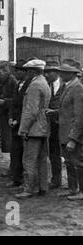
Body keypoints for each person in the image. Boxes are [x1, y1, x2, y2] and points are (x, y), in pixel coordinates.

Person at [15, 60, 51, 199]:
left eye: (29, 71)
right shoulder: (44, 83)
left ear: (33, 71)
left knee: (29, 159)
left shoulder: (34, 85)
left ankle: (29, 188)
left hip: (33, 128)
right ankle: (43, 186)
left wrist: (23, 129)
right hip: (43, 127)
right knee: (42, 159)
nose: (27, 73)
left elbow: (31, 111)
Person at [55, 64, 83, 200]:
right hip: (64, 132)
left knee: (78, 163)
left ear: (71, 74)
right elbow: (66, 109)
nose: (60, 75)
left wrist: (73, 138)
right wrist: (54, 112)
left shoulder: (77, 88)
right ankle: (73, 189)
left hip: (72, 134)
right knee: (69, 162)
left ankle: (81, 191)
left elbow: (79, 116)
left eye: (63, 73)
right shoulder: (67, 86)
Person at [7, 59, 30, 188]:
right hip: (14, 125)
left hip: (23, 124)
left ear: (25, 72)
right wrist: (10, 118)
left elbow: (27, 108)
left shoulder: (29, 85)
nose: (17, 73)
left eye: (20, 71)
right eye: (16, 70)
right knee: (15, 152)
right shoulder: (17, 84)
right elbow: (12, 105)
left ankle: (24, 180)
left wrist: (18, 120)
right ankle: (16, 178)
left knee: (24, 154)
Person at [44, 60, 65, 190]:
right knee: (53, 153)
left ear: (56, 73)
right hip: (51, 126)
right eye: (45, 72)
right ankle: (56, 180)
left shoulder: (67, 86)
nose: (46, 75)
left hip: (64, 125)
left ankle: (75, 185)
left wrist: (55, 112)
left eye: (49, 72)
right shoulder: (47, 85)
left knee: (70, 155)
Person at [0, 61, 17, 175]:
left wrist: (5, 101)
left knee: (12, 144)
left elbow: (17, 100)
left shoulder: (12, 81)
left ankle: (14, 169)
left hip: (10, 117)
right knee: (8, 143)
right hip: (3, 116)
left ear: (6, 71)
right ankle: (12, 167)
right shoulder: (1, 83)